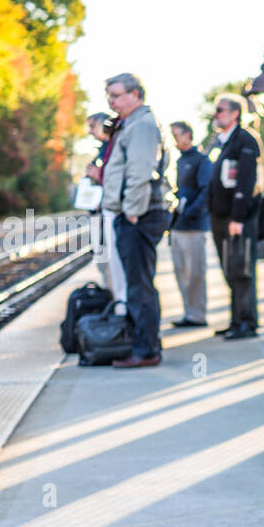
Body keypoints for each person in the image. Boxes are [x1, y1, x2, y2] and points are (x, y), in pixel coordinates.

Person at [101, 72, 173, 368]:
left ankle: (145, 350)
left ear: (135, 95)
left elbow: (140, 171)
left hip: (139, 215)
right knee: (138, 282)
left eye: (116, 95)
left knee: (139, 284)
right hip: (136, 213)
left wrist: (131, 211)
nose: (111, 101)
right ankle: (143, 344)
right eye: (109, 96)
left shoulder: (142, 125)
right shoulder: (132, 123)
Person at [207, 94, 262, 340]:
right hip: (221, 216)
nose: (216, 114)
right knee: (231, 270)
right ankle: (236, 319)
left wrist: (238, 218)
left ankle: (246, 323)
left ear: (234, 113)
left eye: (220, 110)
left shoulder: (245, 140)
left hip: (236, 218)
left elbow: (245, 181)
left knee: (241, 270)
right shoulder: (222, 141)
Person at [168, 121, 212, 327]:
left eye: (176, 135)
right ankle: (189, 312)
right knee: (181, 272)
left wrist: (191, 211)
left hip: (194, 227)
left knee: (195, 273)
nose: (174, 139)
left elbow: (206, 191)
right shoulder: (179, 161)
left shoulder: (201, 161)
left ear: (187, 135)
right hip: (178, 226)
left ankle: (197, 313)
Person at [84, 113, 125, 299]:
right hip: (99, 215)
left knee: (114, 266)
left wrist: (98, 175)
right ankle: (111, 302)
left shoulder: (115, 148)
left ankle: (117, 304)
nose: (90, 131)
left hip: (112, 213)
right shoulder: (102, 150)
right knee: (104, 264)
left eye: (93, 126)